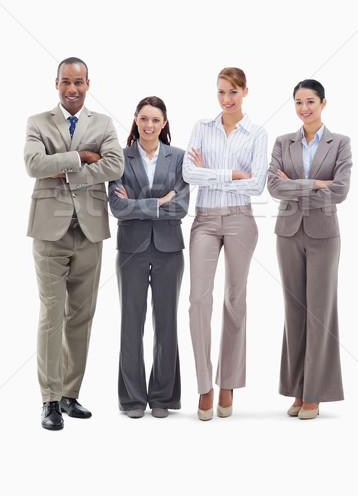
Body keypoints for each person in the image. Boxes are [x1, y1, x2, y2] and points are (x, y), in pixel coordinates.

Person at [24, 57, 124, 430]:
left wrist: (61, 169)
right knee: (52, 315)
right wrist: (81, 157)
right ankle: (49, 400)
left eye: (78, 82)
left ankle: (69, 395)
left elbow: (114, 166)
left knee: (81, 316)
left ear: (87, 84)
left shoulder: (103, 123)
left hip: (90, 232)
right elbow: (33, 165)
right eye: (66, 81)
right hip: (49, 232)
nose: (72, 88)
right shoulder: (38, 122)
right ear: (56, 84)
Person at [183, 67, 268, 420]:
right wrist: (232, 174)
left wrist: (212, 176)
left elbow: (258, 184)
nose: (226, 99)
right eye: (220, 92)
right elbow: (189, 174)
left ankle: (228, 382)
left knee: (236, 299)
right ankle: (205, 385)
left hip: (240, 220)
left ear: (245, 92)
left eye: (232, 92)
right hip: (204, 219)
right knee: (198, 300)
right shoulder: (202, 128)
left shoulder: (257, 133)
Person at [267, 79, 352, 420]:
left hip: (323, 235)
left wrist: (295, 186)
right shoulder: (282, 142)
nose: (304, 108)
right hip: (287, 232)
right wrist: (316, 183)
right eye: (299, 102)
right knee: (294, 312)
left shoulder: (340, 143)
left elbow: (342, 190)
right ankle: (298, 389)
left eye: (311, 101)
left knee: (320, 312)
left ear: (323, 103)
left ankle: (314, 393)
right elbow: (273, 186)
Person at [108, 97, 189, 419]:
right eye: (144, 119)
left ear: (164, 122)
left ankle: (163, 396)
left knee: (166, 323)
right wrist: (158, 202)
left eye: (155, 119)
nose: (149, 125)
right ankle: (131, 400)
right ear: (136, 120)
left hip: (170, 248)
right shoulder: (121, 157)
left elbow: (181, 206)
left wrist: (138, 204)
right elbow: (116, 207)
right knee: (131, 323)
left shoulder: (179, 157)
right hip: (131, 248)